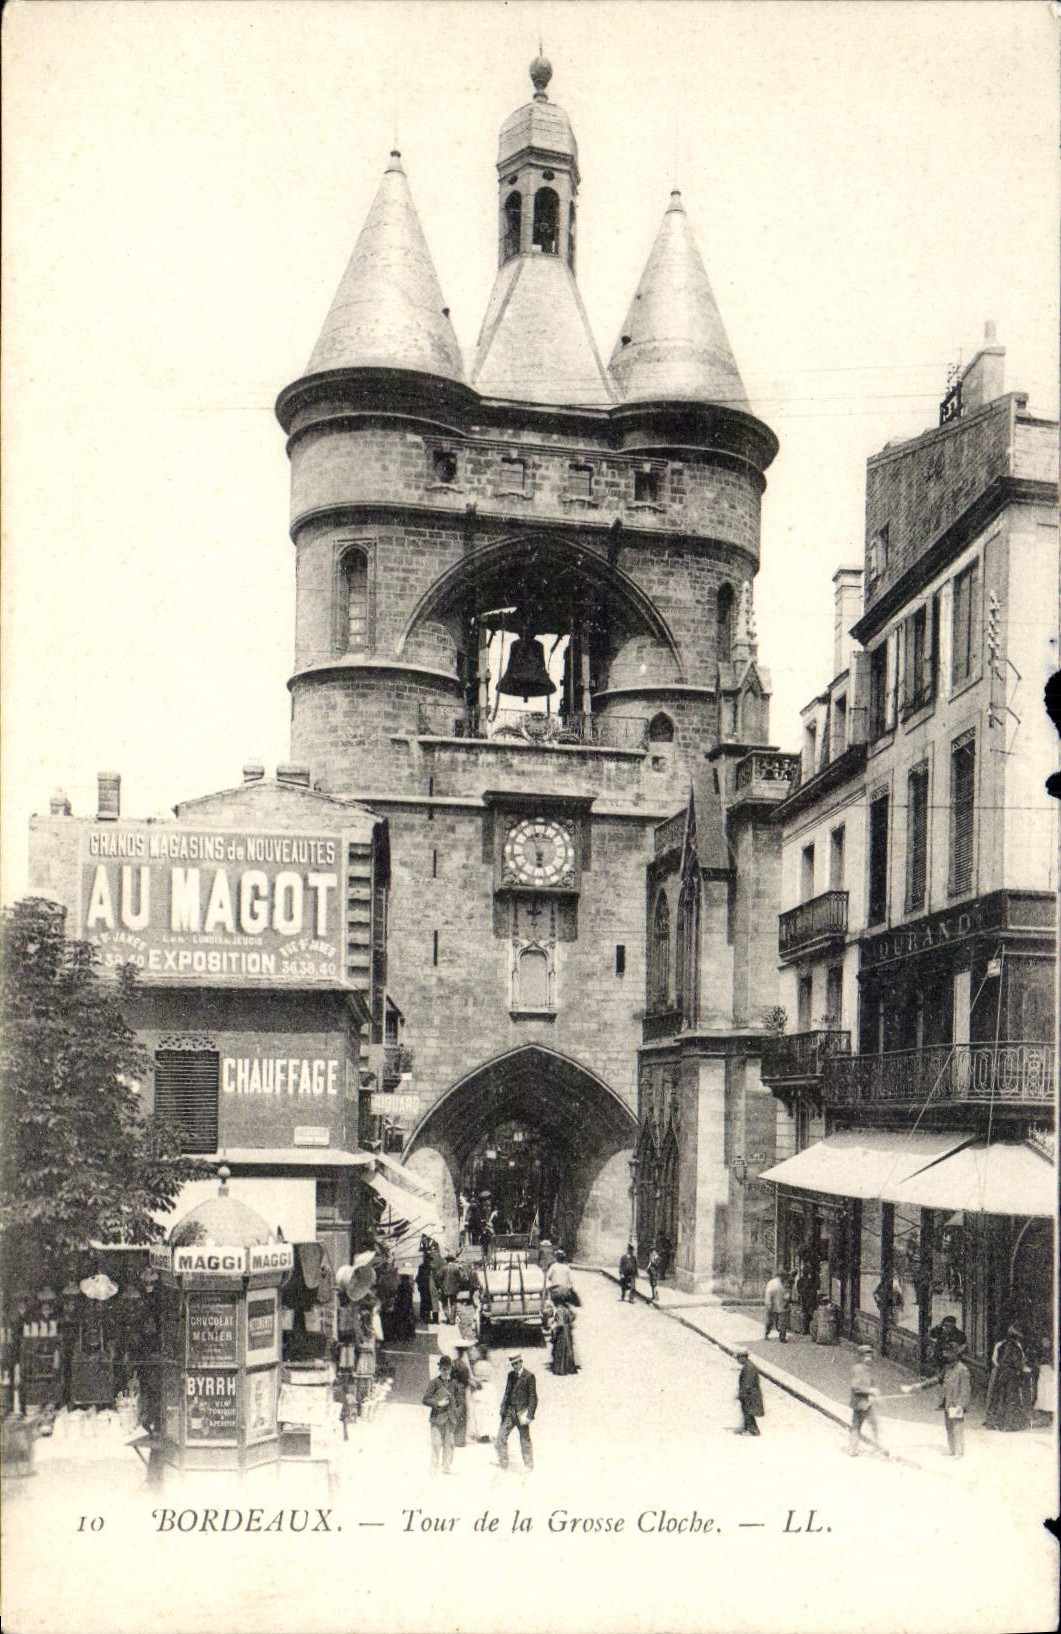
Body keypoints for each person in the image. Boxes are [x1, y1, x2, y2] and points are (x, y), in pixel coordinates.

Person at [902, 1346, 972, 1457]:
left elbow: (965, 1390)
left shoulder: (963, 1370)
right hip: (947, 1401)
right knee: (949, 1427)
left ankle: (959, 1453)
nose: (946, 1355)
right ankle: (952, 1450)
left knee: (957, 1428)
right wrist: (920, 1386)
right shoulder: (948, 1368)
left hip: (956, 1403)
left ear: (955, 1355)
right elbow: (937, 1379)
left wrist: (961, 1405)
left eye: (948, 1353)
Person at [984, 1326, 1032, 1431]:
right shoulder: (1014, 1346)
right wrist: (1023, 1368)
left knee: (999, 1397)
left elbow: (996, 1360)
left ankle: (995, 1422)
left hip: (1001, 1373)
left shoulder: (1002, 1345)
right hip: (1010, 1374)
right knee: (1011, 1398)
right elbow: (1017, 1361)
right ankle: (1008, 1425)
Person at [496, 1352, 537, 1470]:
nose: (515, 1366)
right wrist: (503, 1407)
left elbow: (533, 1397)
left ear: (521, 1362)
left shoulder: (529, 1376)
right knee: (501, 1436)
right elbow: (507, 1392)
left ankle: (528, 1464)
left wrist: (529, 1415)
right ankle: (503, 1463)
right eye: (513, 1364)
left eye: (516, 1363)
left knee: (524, 1439)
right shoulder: (510, 1375)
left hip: (522, 1413)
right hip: (510, 1412)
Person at [422, 1356, 457, 1474]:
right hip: (437, 1418)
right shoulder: (434, 1383)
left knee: (450, 1444)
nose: (445, 1371)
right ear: (440, 1369)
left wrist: (456, 1412)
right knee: (436, 1444)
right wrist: (438, 1403)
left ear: (451, 1369)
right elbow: (425, 1399)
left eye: (447, 1369)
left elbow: (460, 1401)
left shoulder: (454, 1383)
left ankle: (446, 1467)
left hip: (450, 1418)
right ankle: (433, 1467)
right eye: (443, 1369)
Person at [848, 1343, 882, 1456]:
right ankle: (853, 1449)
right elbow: (855, 1387)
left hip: (866, 1403)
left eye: (870, 1355)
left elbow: (872, 1385)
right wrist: (870, 1391)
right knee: (858, 1426)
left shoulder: (868, 1369)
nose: (869, 1357)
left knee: (872, 1425)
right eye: (866, 1355)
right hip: (860, 1403)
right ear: (861, 1356)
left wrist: (875, 1394)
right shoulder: (857, 1369)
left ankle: (873, 1447)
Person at [450, 1338, 474, 1448]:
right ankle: (459, 1440)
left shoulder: (454, 1363)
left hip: (453, 1389)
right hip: (460, 1390)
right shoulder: (462, 1365)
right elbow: (465, 1379)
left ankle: (452, 1437)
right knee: (461, 1413)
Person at [735, 1348, 764, 1435]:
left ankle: (753, 1431)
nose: (737, 1360)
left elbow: (748, 1384)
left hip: (750, 1395)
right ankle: (747, 1428)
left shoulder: (749, 1368)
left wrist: (741, 1394)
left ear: (743, 1357)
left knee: (748, 1412)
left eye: (738, 1358)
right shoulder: (748, 1366)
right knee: (747, 1411)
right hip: (749, 1394)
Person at [548, 1299, 578, 1376]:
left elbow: (560, 1324)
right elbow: (573, 1316)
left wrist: (553, 1326)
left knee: (560, 1350)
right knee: (568, 1349)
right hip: (568, 1330)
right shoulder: (566, 1309)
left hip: (562, 1332)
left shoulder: (559, 1311)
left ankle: (561, 1370)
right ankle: (569, 1368)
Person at [764, 1271, 791, 1343]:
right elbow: (768, 1295)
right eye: (784, 1277)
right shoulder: (772, 1283)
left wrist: (787, 1299)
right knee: (770, 1321)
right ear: (780, 1276)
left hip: (782, 1305)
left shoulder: (786, 1283)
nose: (785, 1279)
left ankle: (782, 1337)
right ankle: (766, 1332)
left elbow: (787, 1292)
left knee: (783, 1321)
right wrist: (769, 1305)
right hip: (773, 1305)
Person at [440, 1255, 462, 1324]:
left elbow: (439, 1277)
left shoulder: (443, 1268)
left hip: (445, 1289)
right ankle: (452, 1320)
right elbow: (459, 1279)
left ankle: (448, 1318)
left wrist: (441, 1286)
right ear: (453, 1261)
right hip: (454, 1289)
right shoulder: (456, 1268)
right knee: (453, 1304)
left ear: (447, 1260)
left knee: (444, 1304)